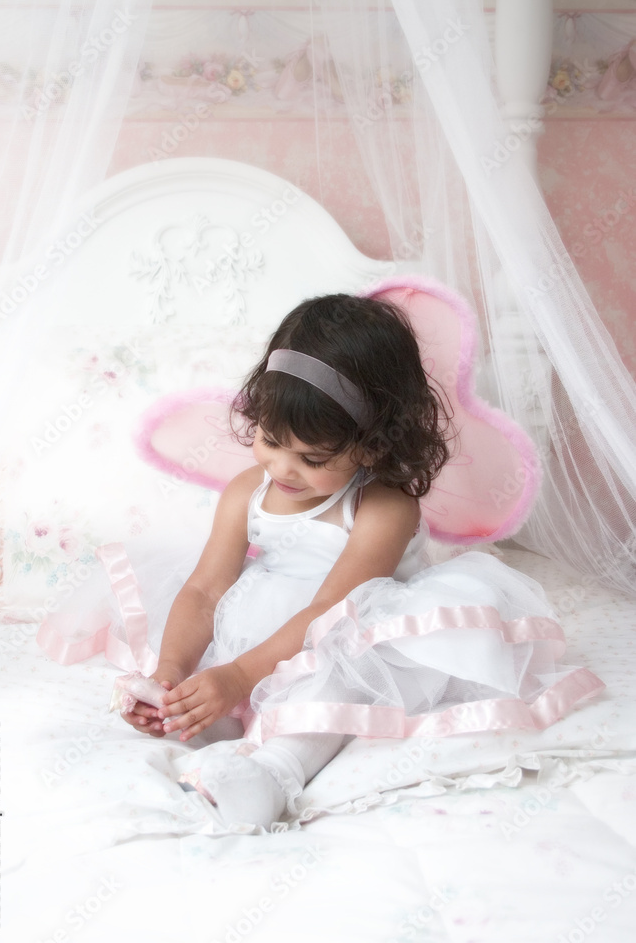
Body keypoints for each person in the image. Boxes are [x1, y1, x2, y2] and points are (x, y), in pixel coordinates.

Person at [114, 292, 602, 831]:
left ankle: (275, 772)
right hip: (267, 631)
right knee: (204, 685)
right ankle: (205, 736)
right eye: (270, 439)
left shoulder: (383, 507)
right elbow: (206, 589)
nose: (283, 468)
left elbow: (331, 610)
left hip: (348, 627)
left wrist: (239, 675)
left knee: (339, 677)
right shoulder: (245, 493)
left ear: (370, 447)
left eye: (312, 458)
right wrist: (172, 674)